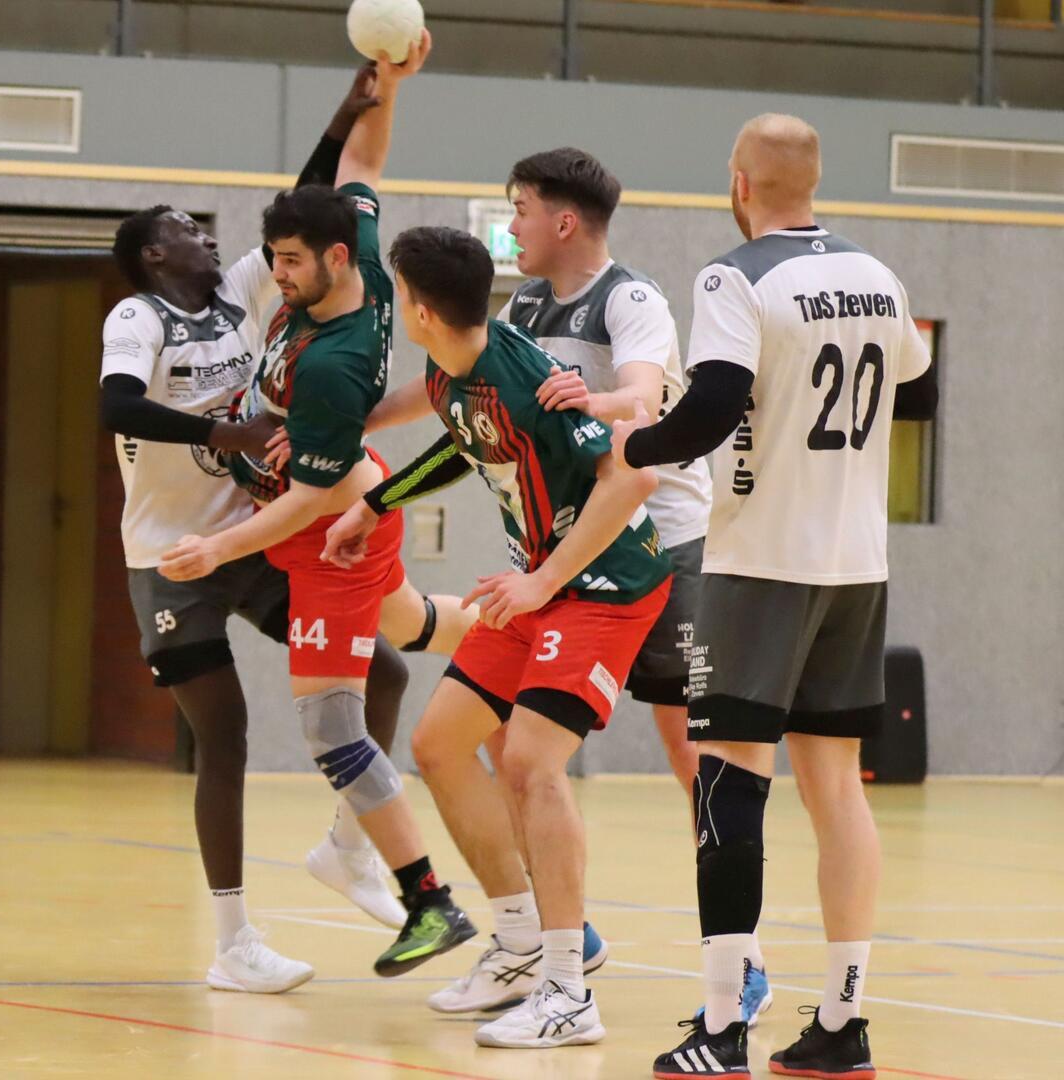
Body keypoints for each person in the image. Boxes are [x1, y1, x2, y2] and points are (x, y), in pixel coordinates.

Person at [357, 147, 758, 1020]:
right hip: (557, 550)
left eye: (521, 210)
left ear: (562, 220)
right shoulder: (519, 308)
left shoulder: (630, 298)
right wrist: (351, 432)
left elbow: (646, 406)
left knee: (694, 760)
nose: (511, 226)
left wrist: (592, 401)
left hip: (656, 546)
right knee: (482, 744)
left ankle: (735, 952)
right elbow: (468, 410)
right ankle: (536, 935)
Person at [100, 65, 469, 994]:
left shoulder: (241, 295)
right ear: (153, 255)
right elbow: (113, 406)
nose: (204, 232)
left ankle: (349, 848)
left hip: (255, 532)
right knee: (223, 736)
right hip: (172, 555)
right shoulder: (136, 315)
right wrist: (217, 429)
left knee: (382, 670)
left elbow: (306, 222)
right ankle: (233, 943)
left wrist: (352, 110)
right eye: (182, 226)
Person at [325, 224, 670, 1048]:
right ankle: (517, 945)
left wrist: (544, 581)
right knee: (442, 744)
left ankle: (567, 990)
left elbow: (635, 474)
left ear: (416, 305)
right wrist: (373, 502)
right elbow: (460, 443)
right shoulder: (455, 369)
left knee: (529, 763)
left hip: (603, 585)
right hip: (537, 588)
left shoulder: (525, 379)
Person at [641, 114, 935, 1080]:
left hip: (762, 565)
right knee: (837, 787)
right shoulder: (881, 278)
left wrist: (637, 446)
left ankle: (723, 1030)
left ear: (738, 181)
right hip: (856, 567)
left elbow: (715, 403)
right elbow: (917, 386)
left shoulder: (735, 277)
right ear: (815, 180)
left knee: (727, 773)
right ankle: (843, 1025)